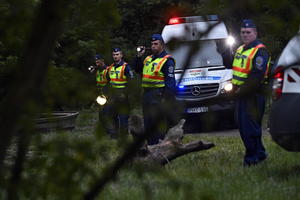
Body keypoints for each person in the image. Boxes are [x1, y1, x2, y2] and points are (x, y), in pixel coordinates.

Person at [232, 19, 271, 166]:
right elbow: (235, 67)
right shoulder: (241, 49)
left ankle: (252, 159)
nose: (245, 35)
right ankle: (260, 153)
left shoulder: (260, 50)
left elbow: (257, 74)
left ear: (255, 33)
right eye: (242, 32)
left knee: (249, 127)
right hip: (242, 93)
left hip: (253, 94)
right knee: (244, 126)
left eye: (248, 32)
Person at [134, 34, 178, 145]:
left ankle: (160, 147)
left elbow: (170, 83)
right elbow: (138, 70)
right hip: (147, 95)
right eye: (152, 44)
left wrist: (167, 100)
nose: (153, 46)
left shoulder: (167, 60)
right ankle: (150, 147)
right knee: (148, 123)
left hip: (158, 95)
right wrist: (139, 56)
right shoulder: (148, 59)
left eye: (156, 44)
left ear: (162, 45)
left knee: (158, 124)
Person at [106, 47, 135, 138]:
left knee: (123, 117)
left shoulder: (126, 67)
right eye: (114, 55)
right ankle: (114, 136)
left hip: (123, 96)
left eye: (117, 54)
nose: (115, 56)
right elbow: (108, 81)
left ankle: (124, 137)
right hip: (113, 96)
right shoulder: (110, 68)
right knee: (112, 116)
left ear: (121, 55)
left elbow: (131, 82)